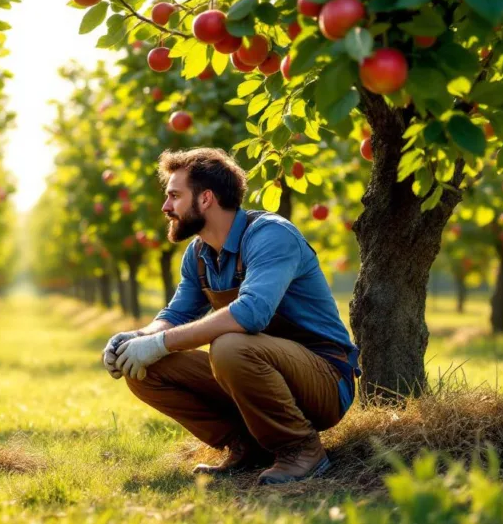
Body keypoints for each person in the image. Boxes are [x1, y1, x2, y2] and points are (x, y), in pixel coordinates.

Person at [103, 148, 360, 485]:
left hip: (324, 379)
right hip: (258, 373)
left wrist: (161, 342)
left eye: (174, 196)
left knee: (229, 346)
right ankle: (247, 446)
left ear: (206, 198)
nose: (166, 207)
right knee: (141, 368)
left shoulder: (271, 235)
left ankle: (301, 448)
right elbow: (176, 314)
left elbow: (250, 314)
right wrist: (138, 339)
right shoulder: (198, 254)